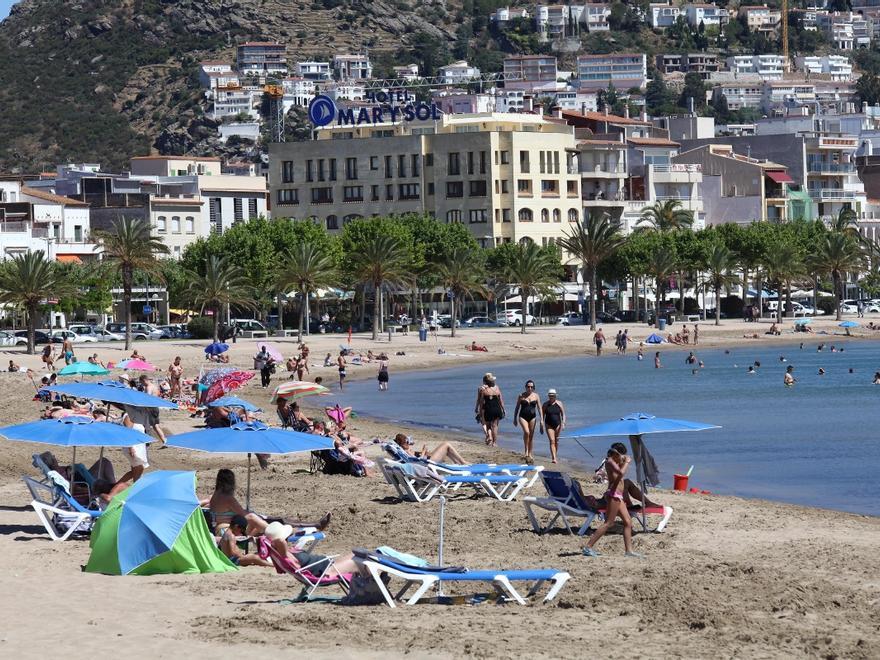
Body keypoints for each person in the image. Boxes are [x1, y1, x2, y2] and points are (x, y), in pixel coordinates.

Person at [206, 469, 329, 537]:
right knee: (272, 520)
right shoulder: (227, 498)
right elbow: (244, 515)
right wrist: (257, 515)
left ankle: (310, 526)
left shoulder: (216, 495)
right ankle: (284, 533)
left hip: (224, 529)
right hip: (230, 531)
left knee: (274, 520)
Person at [582, 444, 641, 558]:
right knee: (609, 523)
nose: (622, 458)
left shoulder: (615, 462)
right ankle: (588, 547)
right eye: (620, 456)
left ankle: (628, 551)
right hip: (613, 495)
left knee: (628, 522)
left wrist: (623, 462)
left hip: (618, 495)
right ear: (615, 454)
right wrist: (627, 462)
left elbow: (618, 477)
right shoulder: (609, 461)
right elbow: (621, 473)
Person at [263, 521, 360, 579]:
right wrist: (278, 539)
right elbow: (280, 541)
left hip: (328, 564)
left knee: (357, 554)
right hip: (327, 571)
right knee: (360, 560)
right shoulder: (285, 555)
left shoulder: (282, 552)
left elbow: (280, 542)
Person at [513, 380, 542, 461]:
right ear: (525, 387)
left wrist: (542, 420)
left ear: (533, 388)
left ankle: (530, 453)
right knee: (527, 432)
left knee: (531, 435)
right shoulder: (521, 395)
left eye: (531, 387)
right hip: (522, 416)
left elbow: (539, 408)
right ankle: (526, 451)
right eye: (528, 386)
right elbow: (517, 408)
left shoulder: (536, 396)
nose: (530, 388)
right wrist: (515, 418)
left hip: (533, 417)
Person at [393, 433, 467, 465]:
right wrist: (424, 451)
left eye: (408, 441)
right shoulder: (406, 451)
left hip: (426, 461)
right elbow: (419, 461)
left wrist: (422, 452)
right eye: (406, 442)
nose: (408, 443)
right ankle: (463, 462)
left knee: (446, 449)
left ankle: (460, 463)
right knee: (446, 444)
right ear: (402, 444)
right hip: (428, 464)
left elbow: (416, 458)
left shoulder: (404, 451)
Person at [475, 372, 504, 447]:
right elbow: (501, 400)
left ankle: (490, 437)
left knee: (488, 425)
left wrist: (480, 411)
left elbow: (481, 402)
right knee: (495, 426)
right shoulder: (497, 387)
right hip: (497, 409)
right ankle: (494, 442)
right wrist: (503, 409)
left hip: (488, 409)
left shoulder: (482, 389)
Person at [542, 389, 565, 464]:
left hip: (558, 424)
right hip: (548, 424)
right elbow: (542, 415)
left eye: (553, 396)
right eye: (550, 396)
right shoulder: (545, 404)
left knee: (556, 441)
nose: (551, 397)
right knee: (552, 441)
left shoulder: (559, 403)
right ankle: (554, 458)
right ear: (548, 396)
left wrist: (563, 423)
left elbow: (563, 414)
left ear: (555, 396)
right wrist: (541, 424)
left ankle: (555, 454)